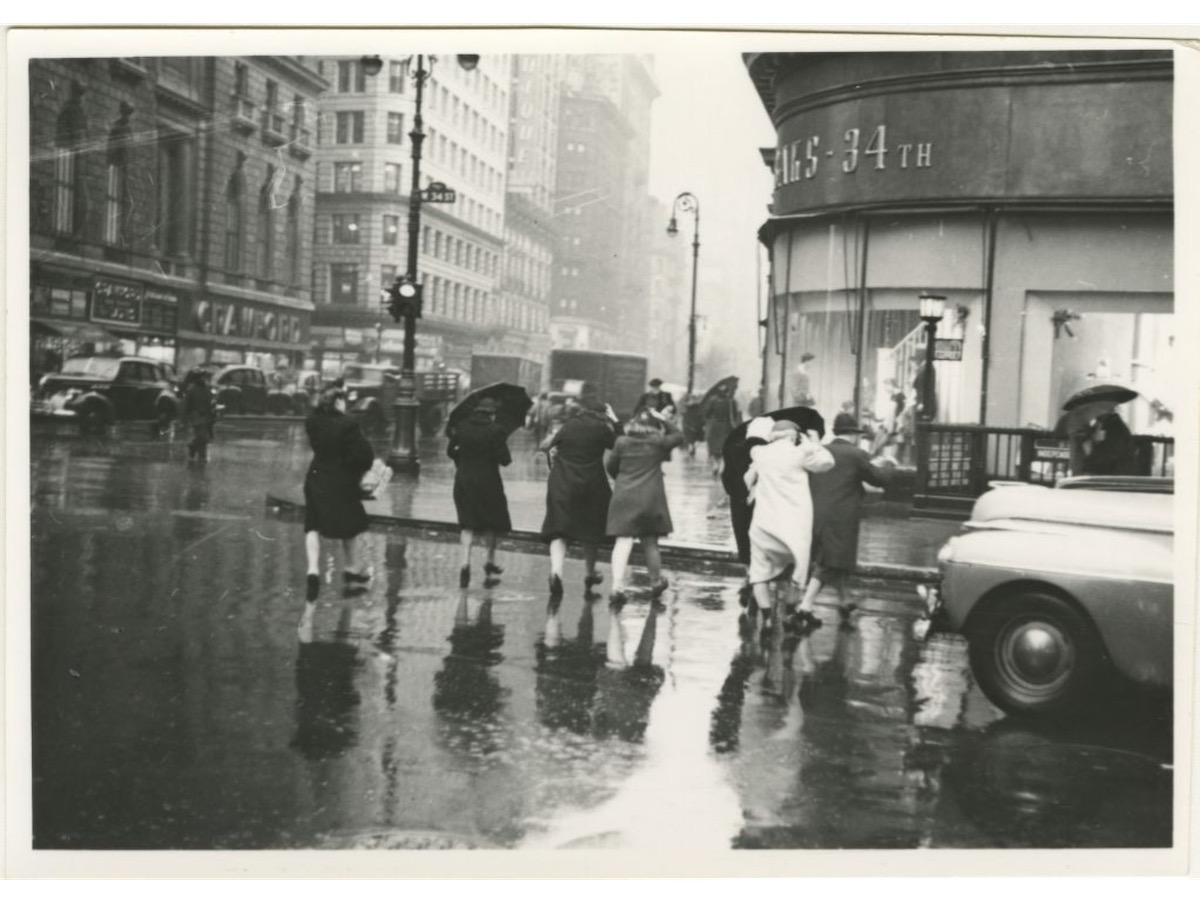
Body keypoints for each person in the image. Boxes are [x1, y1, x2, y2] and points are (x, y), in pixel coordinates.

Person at [797, 413, 895, 625]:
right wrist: (889, 465)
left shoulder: (821, 451)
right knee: (829, 562)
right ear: (853, 434)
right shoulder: (856, 455)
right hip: (841, 517)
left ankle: (845, 602)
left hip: (815, 513)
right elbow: (880, 479)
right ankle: (805, 606)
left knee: (833, 559)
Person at [744, 418, 834, 636]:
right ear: (794, 436)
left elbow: (747, 479)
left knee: (759, 572)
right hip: (794, 525)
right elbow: (827, 462)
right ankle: (790, 613)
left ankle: (766, 618)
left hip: (763, 522)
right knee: (799, 567)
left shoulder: (760, 453)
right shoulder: (800, 454)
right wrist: (810, 442)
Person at [301, 381, 375, 610]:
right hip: (341, 481)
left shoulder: (312, 422)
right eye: (343, 400)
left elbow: (315, 413)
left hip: (315, 478)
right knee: (351, 525)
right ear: (338, 402)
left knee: (312, 524)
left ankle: (313, 569)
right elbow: (365, 456)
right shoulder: (349, 425)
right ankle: (352, 569)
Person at [605, 408, 686, 607]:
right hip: (650, 498)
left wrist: (623, 480)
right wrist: (663, 419)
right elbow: (678, 435)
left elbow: (611, 466)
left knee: (622, 541)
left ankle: (617, 587)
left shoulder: (621, 442)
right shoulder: (657, 443)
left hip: (625, 496)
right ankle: (655, 582)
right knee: (650, 542)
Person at [540, 398, 620, 596]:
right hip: (591, 483)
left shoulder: (569, 425)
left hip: (561, 482)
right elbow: (622, 445)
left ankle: (556, 571)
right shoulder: (602, 429)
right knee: (591, 529)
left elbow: (545, 446)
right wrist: (615, 422)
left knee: (559, 529)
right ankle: (590, 572)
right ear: (603, 414)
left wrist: (554, 444)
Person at [448, 396, 513, 587]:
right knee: (491, 522)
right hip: (488, 482)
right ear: (492, 413)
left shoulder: (462, 426)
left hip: (463, 480)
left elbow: (451, 451)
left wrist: (463, 460)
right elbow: (505, 459)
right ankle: (489, 561)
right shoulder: (495, 430)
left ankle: (465, 564)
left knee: (467, 522)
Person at [704, 381, 741, 477]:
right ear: (727, 391)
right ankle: (721, 465)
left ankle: (715, 464)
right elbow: (735, 414)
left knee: (714, 445)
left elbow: (707, 413)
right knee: (724, 445)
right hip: (727, 426)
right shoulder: (731, 401)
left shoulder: (712, 400)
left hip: (715, 425)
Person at [181, 368, 216, 463]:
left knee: (203, 436)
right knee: (203, 436)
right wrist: (185, 418)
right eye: (200, 377)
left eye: (203, 377)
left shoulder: (206, 388)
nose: (202, 379)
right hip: (196, 415)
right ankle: (194, 447)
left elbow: (209, 401)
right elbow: (187, 404)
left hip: (205, 415)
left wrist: (211, 413)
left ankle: (201, 454)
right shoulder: (192, 389)